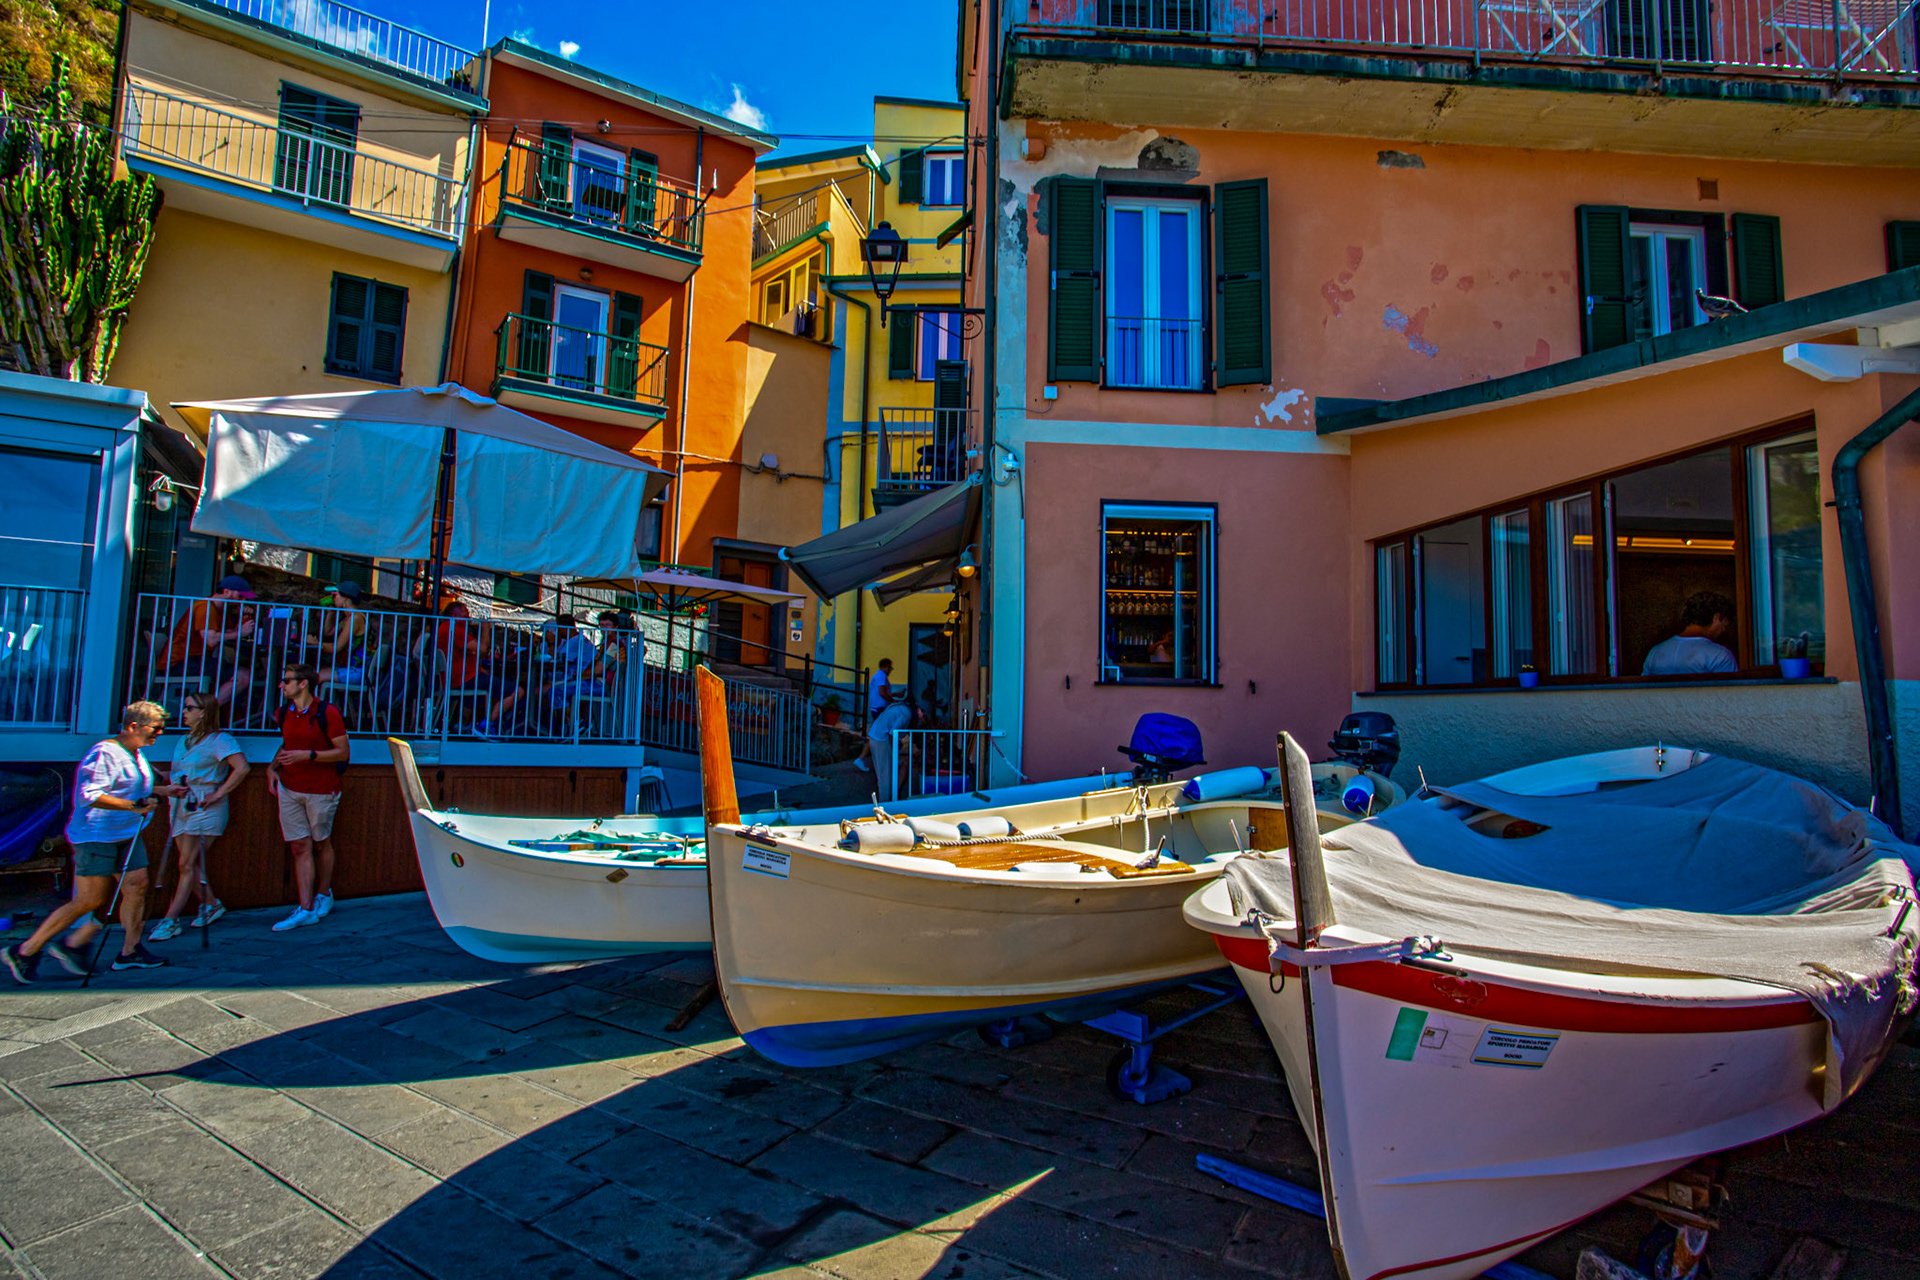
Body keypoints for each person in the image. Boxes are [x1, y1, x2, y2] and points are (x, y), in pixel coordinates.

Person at [3, 702, 185, 982]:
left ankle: (130, 952)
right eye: (155, 728)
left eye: (162, 729)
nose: (159, 733)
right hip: (96, 834)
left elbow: (136, 788)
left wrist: (165, 790)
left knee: (138, 886)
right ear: (133, 726)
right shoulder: (104, 753)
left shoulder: (136, 754)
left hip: (127, 833)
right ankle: (25, 950)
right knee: (89, 899)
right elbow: (90, 793)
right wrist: (132, 805)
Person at [149, 693, 247, 942]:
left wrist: (218, 793)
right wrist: (161, 775)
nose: (184, 711)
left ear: (203, 712)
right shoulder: (184, 740)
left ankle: (170, 919)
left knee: (186, 863)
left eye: (190, 708)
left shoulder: (220, 740)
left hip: (204, 804)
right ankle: (211, 904)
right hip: (180, 802)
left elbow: (242, 767)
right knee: (188, 863)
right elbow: (180, 771)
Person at [268, 663, 349, 932]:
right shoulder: (283, 713)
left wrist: (309, 755)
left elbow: (342, 752)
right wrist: (272, 767)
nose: (282, 685)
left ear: (303, 684)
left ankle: (324, 893)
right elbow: (287, 743)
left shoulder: (328, 713)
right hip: (290, 787)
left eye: (287, 680)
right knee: (299, 846)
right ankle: (305, 908)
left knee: (320, 843)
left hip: (322, 789)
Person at [161, 575, 257, 707]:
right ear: (226, 592)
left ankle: (209, 709)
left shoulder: (221, 609)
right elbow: (211, 639)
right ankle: (207, 712)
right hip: (182, 661)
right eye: (240, 597)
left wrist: (243, 618)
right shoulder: (205, 607)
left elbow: (227, 632)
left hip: (195, 659)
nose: (243, 600)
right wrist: (240, 632)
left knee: (237, 672)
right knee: (243, 675)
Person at [1642, 591, 1740, 675]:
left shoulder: (1656, 652)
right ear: (1717, 618)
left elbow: (1642, 692)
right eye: (1725, 625)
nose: (1724, 631)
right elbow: (1730, 695)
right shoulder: (1720, 656)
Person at [311, 581, 370, 688]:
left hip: (358, 671)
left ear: (346, 597)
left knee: (314, 676)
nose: (332, 598)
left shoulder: (355, 619)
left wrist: (315, 643)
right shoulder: (349, 617)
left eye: (334, 595)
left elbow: (336, 648)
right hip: (354, 669)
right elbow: (328, 633)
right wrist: (331, 613)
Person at [866, 696, 915, 801]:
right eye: (921, 711)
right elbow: (893, 733)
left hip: (876, 737)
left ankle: (889, 798)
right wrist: (895, 754)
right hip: (881, 740)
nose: (922, 714)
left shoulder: (899, 708)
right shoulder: (906, 714)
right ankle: (886, 804)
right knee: (884, 777)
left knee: (885, 774)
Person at [854, 658, 896, 774]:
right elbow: (882, 693)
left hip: (877, 708)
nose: (891, 670)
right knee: (880, 734)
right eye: (890, 667)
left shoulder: (877, 676)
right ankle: (861, 758)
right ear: (886, 666)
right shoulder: (882, 676)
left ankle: (888, 759)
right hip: (880, 709)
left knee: (880, 734)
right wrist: (892, 701)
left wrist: (894, 695)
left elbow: (881, 692)